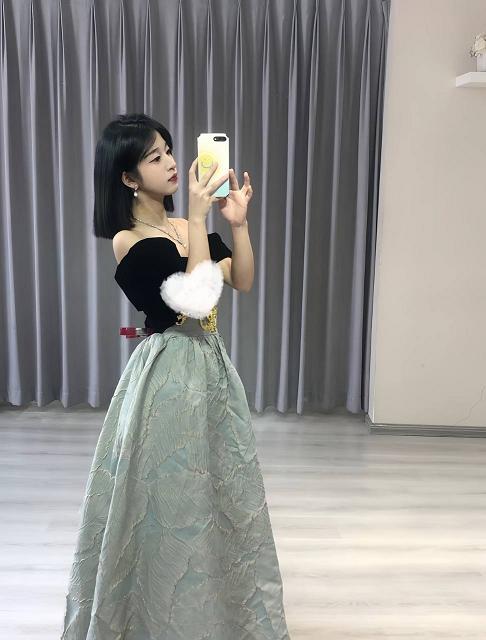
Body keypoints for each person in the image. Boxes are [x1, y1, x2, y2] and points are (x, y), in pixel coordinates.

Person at [60, 113, 291, 639]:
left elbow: (243, 280)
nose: (170, 162)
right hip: (168, 373)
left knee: (221, 490)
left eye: (168, 150)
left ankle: (215, 614)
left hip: (212, 366)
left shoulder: (190, 229)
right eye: (155, 157)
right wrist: (197, 218)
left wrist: (237, 224)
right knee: (170, 495)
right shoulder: (128, 240)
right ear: (127, 177)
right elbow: (195, 301)